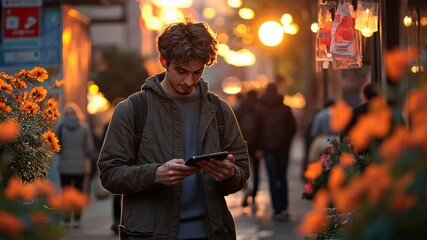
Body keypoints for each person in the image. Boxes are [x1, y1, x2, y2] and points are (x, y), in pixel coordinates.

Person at [98, 17, 249, 239]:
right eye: (181, 71)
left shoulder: (219, 109)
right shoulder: (132, 109)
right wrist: (155, 174)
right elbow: (109, 174)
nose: (189, 81)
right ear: (163, 60)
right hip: (151, 234)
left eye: (197, 72)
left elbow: (242, 171)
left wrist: (228, 174)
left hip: (212, 233)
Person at [257, 82, 296, 221]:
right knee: (282, 177)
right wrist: (287, 141)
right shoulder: (285, 108)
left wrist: (259, 147)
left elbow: (257, 129)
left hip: (268, 148)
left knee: (272, 178)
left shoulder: (260, 108)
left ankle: (277, 210)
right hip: (283, 148)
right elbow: (293, 127)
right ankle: (284, 208)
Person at [56, 102, 95, 228]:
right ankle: (77, 220)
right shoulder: (84, 128)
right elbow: (89, 148)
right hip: (80, 166)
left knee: (66, 194)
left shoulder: (61, 128)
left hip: (65, 165)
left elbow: (56, 147)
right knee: (78, 194)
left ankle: (67, 220)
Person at [234, 90, 262, 211]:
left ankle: (246, 189)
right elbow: (262, 128)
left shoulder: (240, 107)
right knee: (256, 171)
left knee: (242, 168)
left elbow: (235, 126)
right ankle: (254, 196)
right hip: (256, 144)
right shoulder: (259, 108)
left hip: (242, 143)